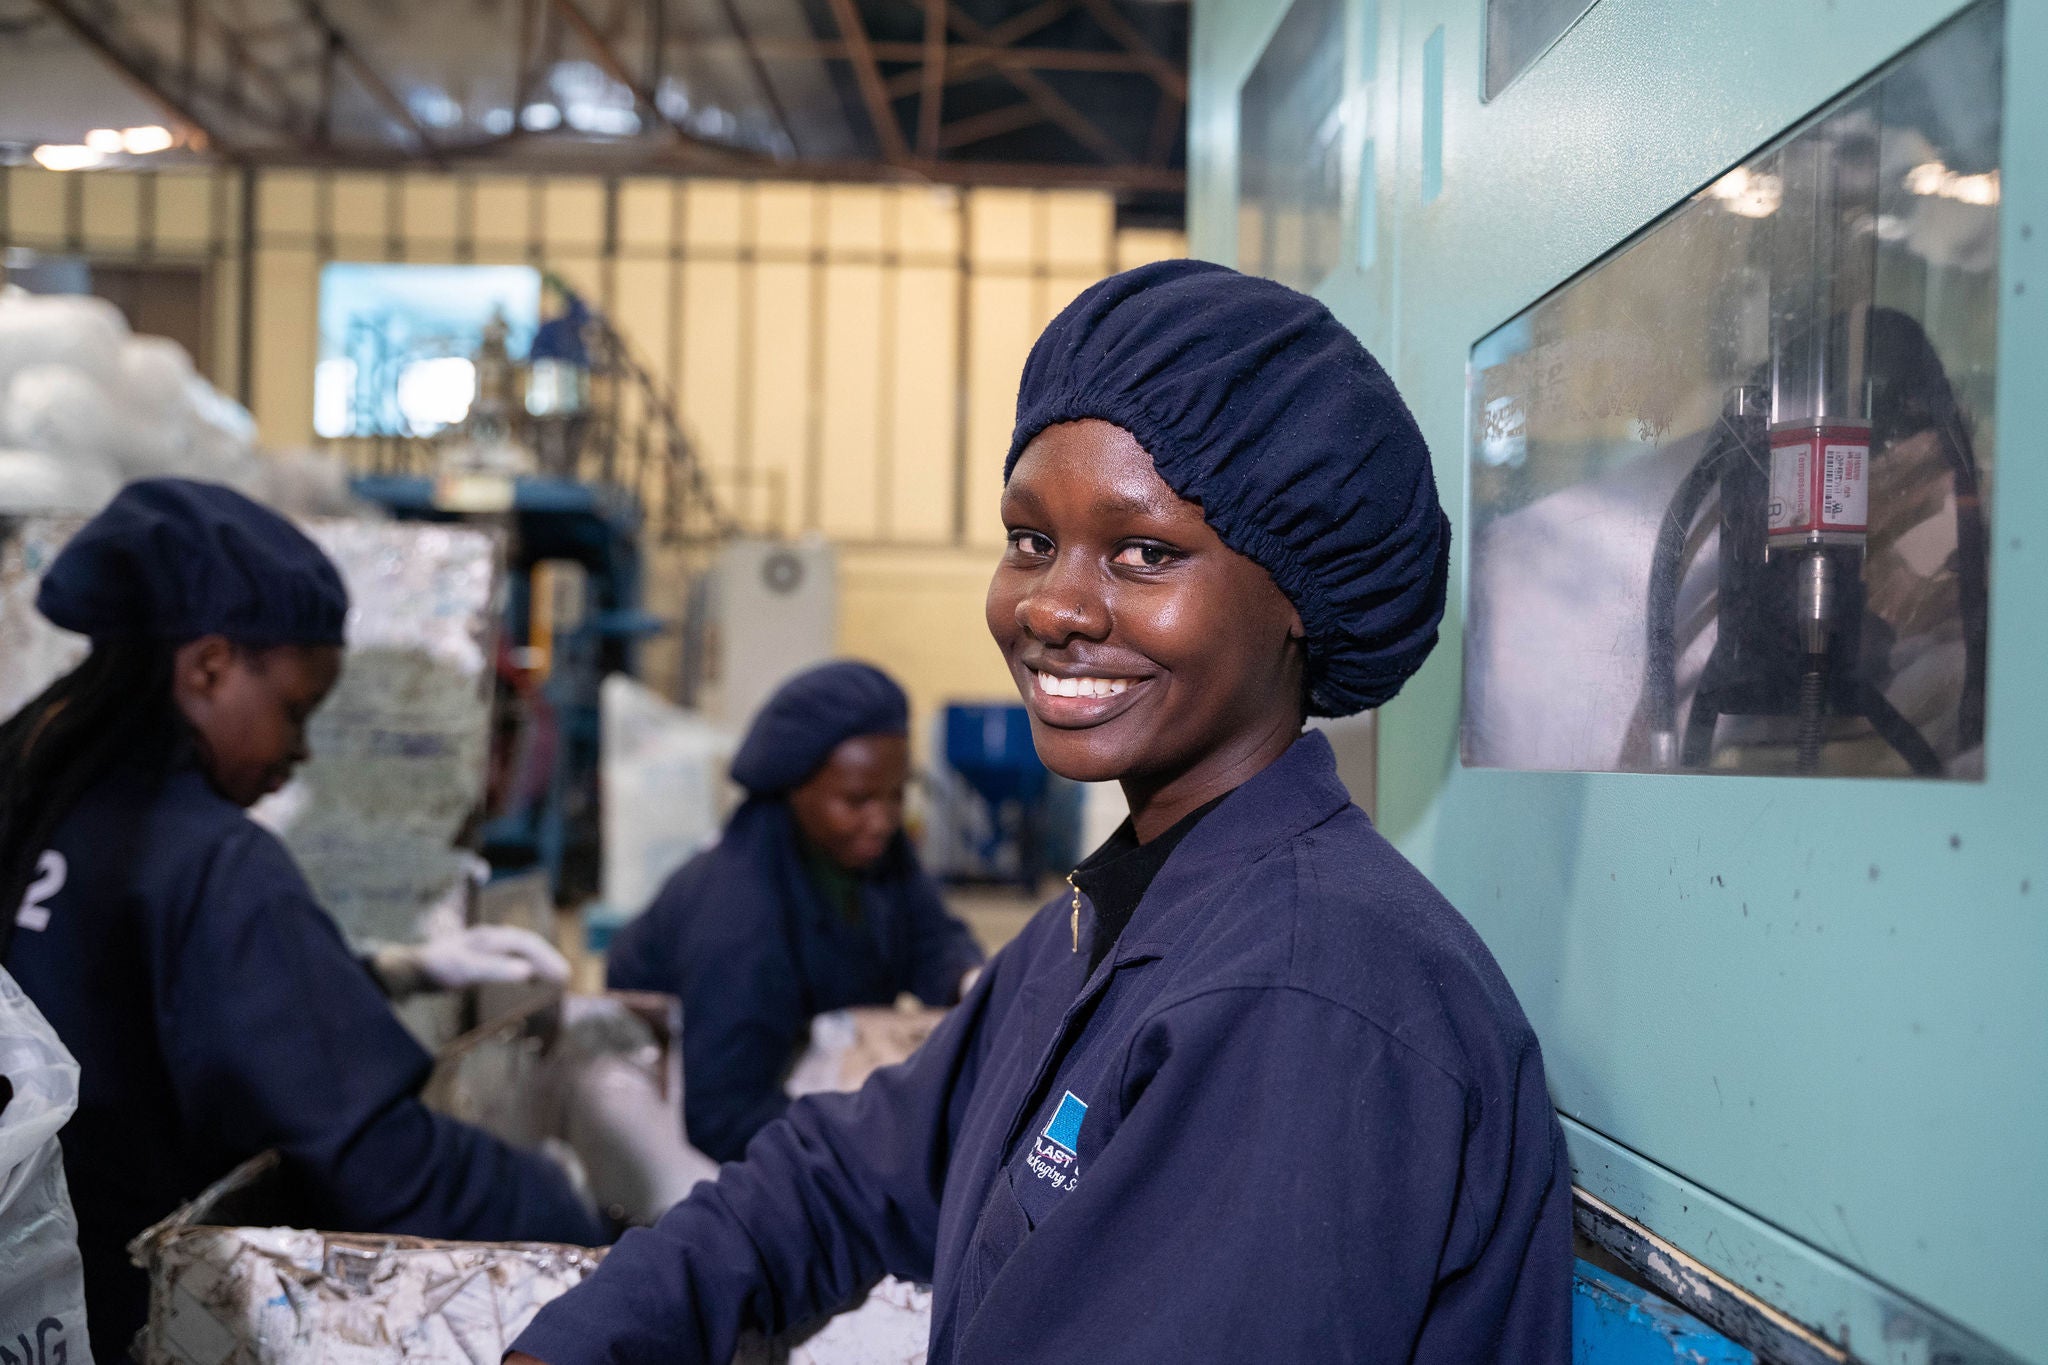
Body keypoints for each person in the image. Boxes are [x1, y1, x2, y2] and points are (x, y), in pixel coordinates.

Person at [509, 261, 1572, 1364]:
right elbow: (847, 1173)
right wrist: (596, 1334)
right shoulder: (1118, 920)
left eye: (1143, 552)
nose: (1052, 607)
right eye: (1029, 540)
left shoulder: (1300, 997)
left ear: (1300, 592)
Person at [0, 479, 607, 1365]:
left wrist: (387, 970)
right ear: (208, 666)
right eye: (294, 710)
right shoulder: (213, 858)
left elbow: (142, 1004)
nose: (300, 751)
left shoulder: (30, 790)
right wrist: (572, 1207)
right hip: (118, 1317)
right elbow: (383, 1162)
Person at [605, 661, 985, 1162]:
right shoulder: (739, 915)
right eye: (857, 800)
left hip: (797, 1077)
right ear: (794, 788)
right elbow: (723, 1116)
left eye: (896, 796)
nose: (884, 820)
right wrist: (874, 1143)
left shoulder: (862, 848)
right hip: (681, 1127)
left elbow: (927, 936)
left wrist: (968, 979)